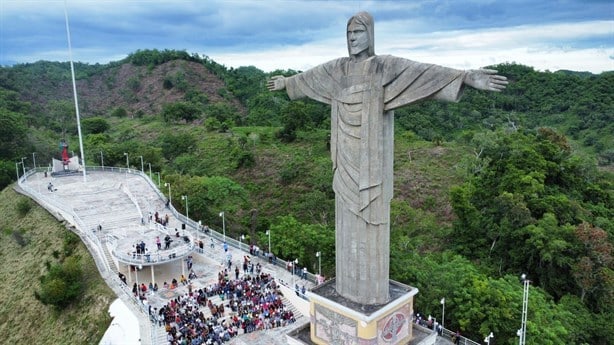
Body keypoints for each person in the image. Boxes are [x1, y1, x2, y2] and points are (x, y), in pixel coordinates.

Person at [268, 11, 507, 305]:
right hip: (344, 160)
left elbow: (421, 73)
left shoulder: (384, 67)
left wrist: (465, 77)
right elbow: (310, 78)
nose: (352, 38)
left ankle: (369, 293)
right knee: (345, 219)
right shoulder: (337, 70)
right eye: (349, 33)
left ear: (370, 34)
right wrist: (287, 82)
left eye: (358, 32)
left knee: (372, 219)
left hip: (371, 166)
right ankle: (347, 289)